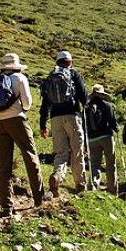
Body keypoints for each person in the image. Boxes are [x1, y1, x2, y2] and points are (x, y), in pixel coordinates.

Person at [0, 53, 48, 216]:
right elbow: (27, 103)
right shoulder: (20, 78)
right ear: (16, 66)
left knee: (3, 163)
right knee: (30, 155)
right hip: (16, 120)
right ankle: (39, 198)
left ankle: (6, 205)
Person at [39, 51, 87, 197]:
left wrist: (43, 125)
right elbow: (84, 96)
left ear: (57, 62)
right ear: (70, 62)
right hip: (72, 116)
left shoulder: (50, 78)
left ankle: (57, 176)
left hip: (55, 119)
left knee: (61, 152)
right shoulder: (74, 74)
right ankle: (80, 185)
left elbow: (45, 104)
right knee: (77, 151)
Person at [84, 84, 118, 194]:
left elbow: (84, 124)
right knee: (110, 163)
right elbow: (113, 123)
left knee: (94, 163)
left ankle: (94, 185)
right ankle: (112, 187)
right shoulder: (108, 105)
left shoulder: (87, 108)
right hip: (106, 136)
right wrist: (116, 128)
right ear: (102, 94)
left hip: (92, 139)